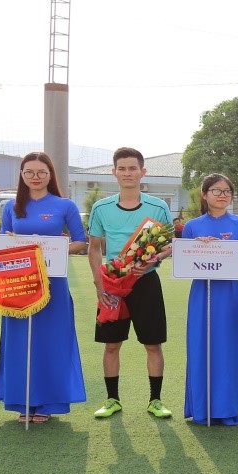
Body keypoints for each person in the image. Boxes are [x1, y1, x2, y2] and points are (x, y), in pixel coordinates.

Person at [0, 152, 88, 423]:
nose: (35, 177)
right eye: (29, 172)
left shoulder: (65, 205)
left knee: (51, 341)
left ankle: (47, 402)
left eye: (41, 172)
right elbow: (3, 242)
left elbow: (80, 242)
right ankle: (22, 400)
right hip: (18, 284)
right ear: (22, 176)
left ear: (50, 175)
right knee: (20, 341)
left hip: (54, 284)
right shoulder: (12, 207)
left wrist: (54, 249)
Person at [88, 147, 174, 420]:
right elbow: (93, 248)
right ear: (114, 172)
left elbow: (169, 243)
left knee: (153, 344)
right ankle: (112, 399)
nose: (127, 173)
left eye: (132, 168)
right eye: (122, 168)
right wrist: (98, 284)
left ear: (142, 172)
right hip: (113, 285)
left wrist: (153, 259)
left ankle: (155, 400)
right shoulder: (101, 208)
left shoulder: (158, 207)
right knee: (111, 345)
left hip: (146, 283)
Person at [180, 174, 238, 426]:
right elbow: (184, 259)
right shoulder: (192, 226)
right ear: (204, 194)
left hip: (232, 293)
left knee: (230, 347)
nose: (222, 195)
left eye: (226, 191)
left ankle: (229, 407)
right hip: (202, 293)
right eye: (216, 190)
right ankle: (202, 408)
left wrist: (225, 250)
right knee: (202, 345)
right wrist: (199, 247)